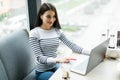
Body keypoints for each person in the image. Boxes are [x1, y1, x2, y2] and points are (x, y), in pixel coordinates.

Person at [29, 2, 89, 80]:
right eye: (48, 16)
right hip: (42, 71)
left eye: (54, 16)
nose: (52, 20)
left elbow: (72, 46)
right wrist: (58, 60)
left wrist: (93, 53)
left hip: (55, 66)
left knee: (72, 75)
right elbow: (40, 58)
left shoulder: (57, 31)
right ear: (41, 16)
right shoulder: (34, 33)